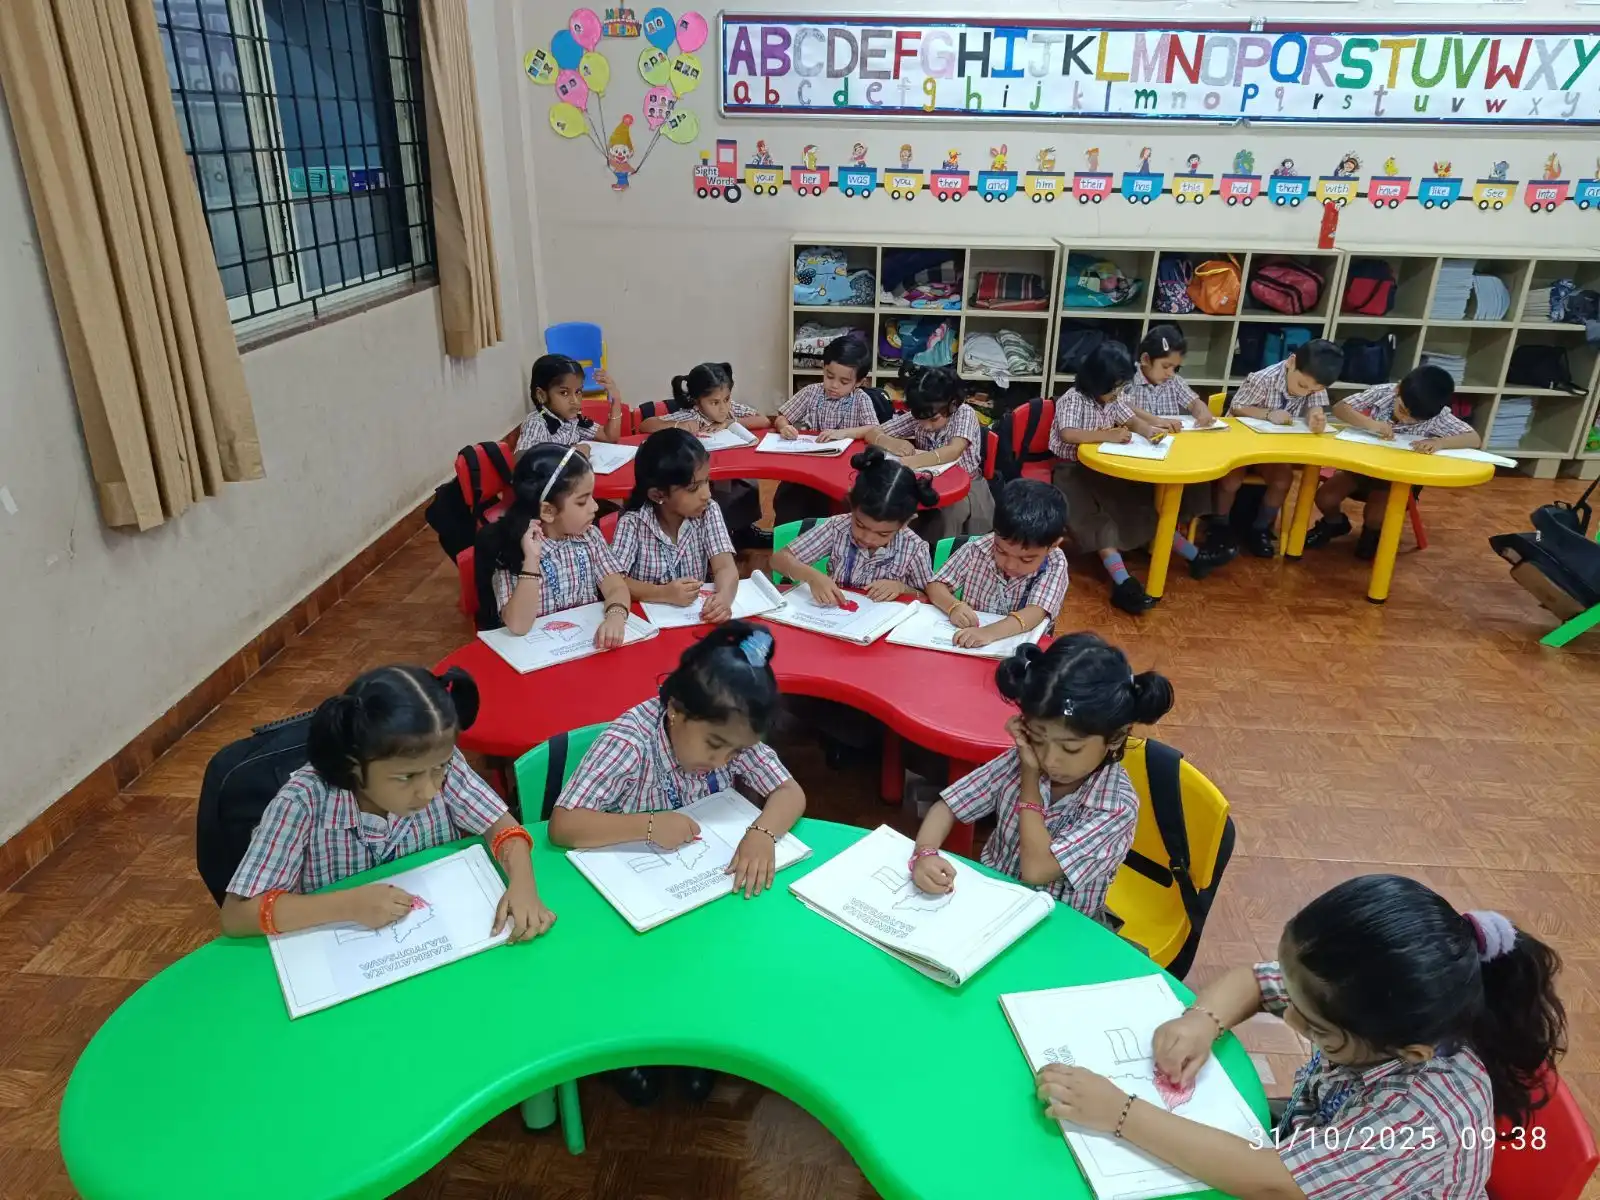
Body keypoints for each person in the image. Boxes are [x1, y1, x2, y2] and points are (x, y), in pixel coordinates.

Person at [1035, 875, 1567, 1199]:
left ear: (1409, 1053)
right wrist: (1202, 1020)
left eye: (1316, 1029)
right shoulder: (1362, 993)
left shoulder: (1419, 1118)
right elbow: (1251, 981)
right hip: (1314, 1144)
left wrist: (1121, 1113)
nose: (1291, 1020)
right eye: (1293, 999)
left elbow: (1273, 1180)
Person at [549, 623, 806, 1107]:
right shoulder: (630, 742)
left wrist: (761, 832)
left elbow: (790, 793)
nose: (724, 760)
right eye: (714, 747)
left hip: (689, 888)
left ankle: (696, 1045)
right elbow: (563, 825)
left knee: (713, 951)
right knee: (633, 970)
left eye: (737, 752)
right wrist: (647, 825)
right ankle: (624, 1052)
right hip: (627, 888)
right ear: (675, 710)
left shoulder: (727, 730)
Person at [220, 665, 555, 942]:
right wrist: (347, 904)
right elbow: (237, 914)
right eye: (405, 778)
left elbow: (502, 827)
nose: (427, 790)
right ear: (354, 764)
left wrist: (523, 885)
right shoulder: (303, 802)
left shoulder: (441, 763)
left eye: (437, 769)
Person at [908, 634, 1173, 920]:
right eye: (1038, 738)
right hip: (994, 901)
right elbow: (948, 806)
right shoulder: (1021, 758)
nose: (1050, 759)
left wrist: (1030, 778)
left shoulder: (1115, 807)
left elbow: (1035, 870)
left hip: (1061, 927)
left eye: (1071, 748)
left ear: (1116, 737)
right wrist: (924, 853)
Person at [1051, 341, 1228, 615]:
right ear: (1096, 382)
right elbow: (1069, 434)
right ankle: (1123, 583)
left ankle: (1196, 557)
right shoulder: (1073, 399)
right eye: (1114, 388)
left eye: (1121, 387)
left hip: (1108, 469)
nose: (1118, 393)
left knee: (1142, 509)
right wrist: (1106, 435)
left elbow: (1130, 419)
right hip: (1073, 471)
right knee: (1099, 522)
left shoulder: (1114, 398)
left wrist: (1148, 431)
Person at [1306, 365, 1483, 560]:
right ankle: (1334, 523)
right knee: (1325, 497)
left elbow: (1474, 438)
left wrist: (1439, 442)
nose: (1405, 420)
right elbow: (1341, 408)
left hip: (1397, 479)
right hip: (1362, 468)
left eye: (1413, 419)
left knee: (1375, 516)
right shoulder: (1384, 392)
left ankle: (1372, 534)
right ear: (1398, 390)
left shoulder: (1438, 415)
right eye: (1402, 410)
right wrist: (1371, 424)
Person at [487, 444, 632, 645]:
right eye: (582, 501)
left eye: (592, 496)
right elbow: (518, 625)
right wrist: (531, 560)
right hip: (536, 654)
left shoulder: (589, 536)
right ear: (548, 511)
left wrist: (615, 616)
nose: (595, 507)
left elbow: (616, 587)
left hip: (584, 644)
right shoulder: (513, 546)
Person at [829, 365, 993, 540]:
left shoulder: (964, 413)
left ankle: (936, 560)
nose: (926, 426)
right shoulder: (921, 416)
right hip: (927, 481)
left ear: (952, 404)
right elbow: (874, 431)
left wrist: (912, 462)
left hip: (965, 488)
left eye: (933, 419)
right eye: (921, 419)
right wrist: (890, 442)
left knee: (945, 519)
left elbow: (953, 450)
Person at [1214, 339, 1343, 558]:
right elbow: (1237, 406)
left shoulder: (1313, 382)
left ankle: (1261, 529)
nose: (1306, 392)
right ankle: (1219, 526)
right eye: (1302, 386)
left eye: (1315, 389)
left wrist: (1315, 417)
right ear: (1291, 363)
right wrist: (1267, 414)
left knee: (1283, 480)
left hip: (1273, 451)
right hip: (1239, 447)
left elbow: (1314, 406)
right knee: (1230, 480)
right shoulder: (1263, 379)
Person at [770, 446, 936, 603]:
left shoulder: (914, 548)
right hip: (837, 619)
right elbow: (778, 560)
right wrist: (812, 576)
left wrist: (902, 588)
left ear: (905, 522)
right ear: (851, 502)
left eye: (883, 534)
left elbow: (929, 597)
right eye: (860, 525)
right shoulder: (837, 528)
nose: (867, 538)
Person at [925, 478, 1069, 651]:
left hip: (1017, 650)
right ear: (995, 532)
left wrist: (987, 633)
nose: (1010, 565)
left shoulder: (1055, 563)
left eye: (1026, 559)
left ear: (1053, 545)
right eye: (1001, 551)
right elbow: (935, 585)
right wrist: (953, 606)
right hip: (970, 647)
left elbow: (1035, 613)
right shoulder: (977, 549)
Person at [641, 362, 771, 550]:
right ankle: (718, 541)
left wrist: (730, 423)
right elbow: (646, 424)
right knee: (719, 497)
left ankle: (744, 531)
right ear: (697, 401)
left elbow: (764, 419)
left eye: (726, 399)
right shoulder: (690, 416)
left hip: (733, 470)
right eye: (714, 403)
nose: (723, 408)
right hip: (706, 477)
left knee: (749, 485)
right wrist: (680, 426)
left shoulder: (731, 411)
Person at [612, 428, 739, 620]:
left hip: (692, 621)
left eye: (707, 481)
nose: (707, 494)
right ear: (658, 495)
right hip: (649, 624)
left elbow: (725, 567)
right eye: (694, 488)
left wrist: (723, 598)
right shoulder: (633, 524)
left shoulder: (708, 511)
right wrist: (663, 593)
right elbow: (614, 581)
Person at [772, 335, 879, 525]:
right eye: (829, 376)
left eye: (844, 381)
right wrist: (785, 427)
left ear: (859, 381)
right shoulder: (812, 392)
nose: (834, 385)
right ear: (823, 368)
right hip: (809, 467)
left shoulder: (861, 400)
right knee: (788, 498)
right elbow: (782, 417)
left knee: (839, 505)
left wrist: (843, 433)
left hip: (844, 471)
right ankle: (788, 539)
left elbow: (873, 429)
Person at [515, 354, 623, 454]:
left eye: (578, 391)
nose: (575, 401)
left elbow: (609, 437)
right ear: (541, 395)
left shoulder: (572, 420)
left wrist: (616, 400)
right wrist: (571, 454)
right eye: (564, 393)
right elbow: (523, 461)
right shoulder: (537, 423)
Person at [1122, 325, 1218, 430]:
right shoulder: (1128, 379)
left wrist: (1201, 410)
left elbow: (1194, 402)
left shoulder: (1174, 381)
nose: (1170, 373)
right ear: (1146, 359)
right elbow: (1124, 407)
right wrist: (1158, 421)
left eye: (1175, 367)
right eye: (1165, 366)